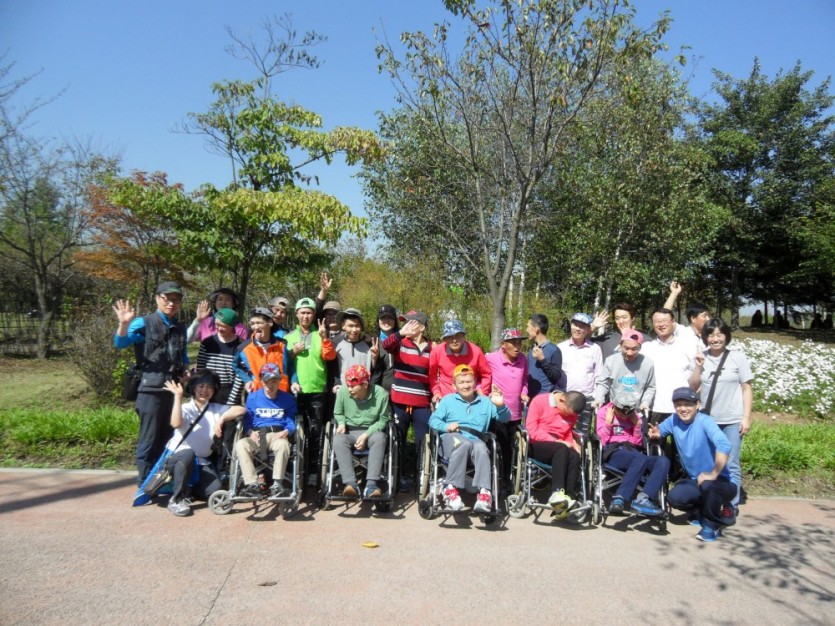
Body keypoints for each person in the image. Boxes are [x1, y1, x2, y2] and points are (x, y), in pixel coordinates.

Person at [113, 281, 189, 483]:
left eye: (176, 300)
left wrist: (186, 370)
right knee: (149, 438)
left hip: (172, 389)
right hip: (150, 389)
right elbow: (120, 343)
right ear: (157, 299)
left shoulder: (180, 327)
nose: (171, 303)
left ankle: (161, 479)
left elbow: (183, 354)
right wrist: (123, 324)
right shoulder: (143, 322)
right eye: (167, 299)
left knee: (169, 437)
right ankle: (145, 482)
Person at [649, 387, 736, 542]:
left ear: (697, 405)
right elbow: (659, 431)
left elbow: (724, 445)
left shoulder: (705, 421)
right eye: (678, 405)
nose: (683, 409)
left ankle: (712, 524)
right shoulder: (674, 420)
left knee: (708, 485)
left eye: (687, 404)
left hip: (722, 481)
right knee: (674, 497)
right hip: (696, 480)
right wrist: (656, 434)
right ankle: (701, 511)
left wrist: (713, 473)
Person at [689, 318, 753, 513]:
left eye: (719, 334)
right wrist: (698, 366)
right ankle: (709, 502)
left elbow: (747, 388)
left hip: (732, 420)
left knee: (731, 463)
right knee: (708, 462)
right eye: (711, 335)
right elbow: (693, 386)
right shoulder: (701, 357)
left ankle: (730, 505)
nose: (715, 339)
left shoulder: (737, 358)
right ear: (705, 337)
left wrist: (746, 417)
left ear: (726, 336)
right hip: (708, 420)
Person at [161, 371, 245, 516]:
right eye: (201, 386)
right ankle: (177, 499)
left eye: (209, 387)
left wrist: (222, 418)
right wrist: (178, 397)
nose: (205, 390)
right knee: (187, 454)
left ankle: (188, 490)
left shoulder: (215, 409)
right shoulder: (186, 408)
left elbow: (241, 409)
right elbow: (176, 423)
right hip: (177, 460)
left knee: (216, 489)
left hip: (200, 462)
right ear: (193, 388)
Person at [428, 365, 510, 514]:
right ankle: (449, 489)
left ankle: (485, 494)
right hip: (451, 439)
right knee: (464, 443)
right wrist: (446, 426)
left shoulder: (485, 402)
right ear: (454, 385)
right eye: (461, 382)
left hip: (476, 440)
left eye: (469, 381)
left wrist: (500, 405)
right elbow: (433, 421)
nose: (465, 385)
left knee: (481, 447)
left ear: (475, 383)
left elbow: (505, 419)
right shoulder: (447, 401)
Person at [285, 297, 337, 487]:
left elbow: (330, 357)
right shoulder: (288, 337)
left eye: (309, 313)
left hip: (317, 390)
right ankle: (292, 471)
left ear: (314, 315)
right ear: (297, 314)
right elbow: (282, 364)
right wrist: (292, 353)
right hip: (295, 391)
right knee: (294, 432)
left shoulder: (320, 334)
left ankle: (313, 472)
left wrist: (324, 338)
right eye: (302, 312)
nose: (305, 316)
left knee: (316, 432)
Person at [595, 389, 669, 517]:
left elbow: (637, 443)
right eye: (621, 412)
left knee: (663, 460)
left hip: (634, 452)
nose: (625, 416)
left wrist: (637, 426)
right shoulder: (604, 412)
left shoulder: (635, 416)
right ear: (615, 406)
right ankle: (619, 498)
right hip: (614, 451)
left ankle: (644, 498)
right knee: (639, 458)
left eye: (628, 413)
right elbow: (602, 441)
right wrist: (608, 424)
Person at [383, 310, 435, 490]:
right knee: (398, 440)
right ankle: (399, 478)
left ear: (421, 327)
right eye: (404, 323)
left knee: (423, 442)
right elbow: (386, 345)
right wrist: (400, 333)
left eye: (410, 323)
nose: (406, 326)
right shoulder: (400, 343)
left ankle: (421, 477)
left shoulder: (433, 348)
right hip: (399, 401)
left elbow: (435, 374)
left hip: (422, 403)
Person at [234, 363, 298, 498]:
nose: (270, 385)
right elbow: (247, 421)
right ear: (262, 381)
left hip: (277, 434)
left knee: (283, 445)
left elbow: (291, 421)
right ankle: (252, 484)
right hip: (258, 435)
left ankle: (277, 485)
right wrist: (250, 432)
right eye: (267, 381)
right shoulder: (253, 398)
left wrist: (286, 432)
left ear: (279, 380)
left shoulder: (288, 399)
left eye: (274, 381)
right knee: (241, 444)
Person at [524, 389, 588, 519]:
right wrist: (556, 441)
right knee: (562, 449)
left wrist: (573, 443)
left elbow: (567, 432)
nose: (567, 415)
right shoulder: (539, 401)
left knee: (575, 455)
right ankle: (557, 494)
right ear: (561, 400)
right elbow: (532, 429)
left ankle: (569, 498)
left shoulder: (571, 410)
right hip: (538, 444)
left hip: (560, 446)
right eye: (566, 412)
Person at [332, 365, 391, 499]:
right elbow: (338, 412)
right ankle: (350, 484)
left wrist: (366, 435)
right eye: (348, 385)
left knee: (380, 438)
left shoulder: (380, 394)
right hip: (350, 431)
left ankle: (371, 485)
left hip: (372, 432)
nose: (349, 389)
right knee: (338, 440)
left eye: (353, 386)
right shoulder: (343, 392)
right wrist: (341, 423)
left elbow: (383, 420)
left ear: (364, 385)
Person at [486, 328, 529, 483]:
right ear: (503, 344)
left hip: (515, 412)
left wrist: (524, 392)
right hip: (496, 411)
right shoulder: (491, 358)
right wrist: (486, 393)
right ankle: (493, 479)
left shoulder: (523, 359)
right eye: (513, 343)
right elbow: (481, 378)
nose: (517, 346)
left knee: (510, 448)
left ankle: (507, 481)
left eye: (519, 343)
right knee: (498, 445)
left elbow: (524, 381)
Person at [641, 307, 695, 425]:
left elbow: (697, 376)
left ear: (673, 322)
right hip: (654, 407)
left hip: (682, 408)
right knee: (654, 437)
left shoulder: (688, 346)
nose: (661, 324)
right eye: (657, 321)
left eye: (665, 321)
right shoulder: (646, 348)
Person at [232, 307, 295, 394]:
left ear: (270, 323)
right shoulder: (243, 348)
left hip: (282, 393)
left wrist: (294, 382)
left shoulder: (282, 344)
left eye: (259, 323)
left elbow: (290, 365)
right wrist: (247, 380)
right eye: (252, 323)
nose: (255, 327)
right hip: (258, 394)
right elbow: (235, 365)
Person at [557, 313, 603, 431]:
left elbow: (599, 375)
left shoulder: (595, 349)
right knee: (562, 431)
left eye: (582, 326)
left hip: (586, 399)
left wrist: (596, 396)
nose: (577, 329)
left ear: (588, 329)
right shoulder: (560, 348)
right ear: (571, 326)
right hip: (565, 397)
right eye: (575, 325)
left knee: (582, 433)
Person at [592, 329, 655, 412]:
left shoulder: (648, 363)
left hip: (637, 411)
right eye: (626, 348)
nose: (630, 353)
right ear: (620, 345)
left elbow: (650, 387)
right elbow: (603, 383)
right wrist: (599, 398)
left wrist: (646, 402)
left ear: (640, 348)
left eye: (634, 349)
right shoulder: (611, 361)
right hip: (615, 410)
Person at [429, 319, 492, 403]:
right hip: (446, 397)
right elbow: (432, 375)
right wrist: (436, 392)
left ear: (463, 336)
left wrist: (484, 392)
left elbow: (486, 373)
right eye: (450, 337)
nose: (454, 340)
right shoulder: (437, 352)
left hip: (471, 397)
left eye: (458, 336)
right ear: (445, 339)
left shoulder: (476, 351)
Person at [196, 308, 244, 405]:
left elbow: (240, 375)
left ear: (232, 326)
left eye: (224, 326)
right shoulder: (207, 342)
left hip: (229, 391)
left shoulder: (240, 346)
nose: (219, 328)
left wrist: (232, 400)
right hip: (208, 389)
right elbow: (200, 370)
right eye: (217, 324)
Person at [333, 308, 379, 388]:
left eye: (357, 326)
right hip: (344, 390)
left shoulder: (370, 344)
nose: (354, 330)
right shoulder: (336, 344)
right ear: (343, 326)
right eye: (350, 326)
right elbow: (333, 368)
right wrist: (337, 384)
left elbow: (376, 369)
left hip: (364, 390)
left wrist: (375, 358)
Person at [664, 281, 710, 353]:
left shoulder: (710, 336)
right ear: (693, 318)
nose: (708, 319)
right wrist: (674, 293)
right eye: (704, 316)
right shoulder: (682, 332)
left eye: (708, 316)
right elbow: (665, 316)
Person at [526, 313, 563, 398]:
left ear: (536, 329)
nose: (526, 330)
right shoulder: (532, 349)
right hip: (530, 399)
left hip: (545, 400)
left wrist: (543, 360)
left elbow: (556, 377)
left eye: (528, 327)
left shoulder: (554, 350)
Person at [371, 304, 399, 392]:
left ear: (395, 321)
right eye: (383, 318)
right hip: (379, 392)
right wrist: (374, 358)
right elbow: (369, 370)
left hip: (399, 391)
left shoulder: (402, 340)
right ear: (378, 320)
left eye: (390, 318)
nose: (386, 321)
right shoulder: (372, 341)